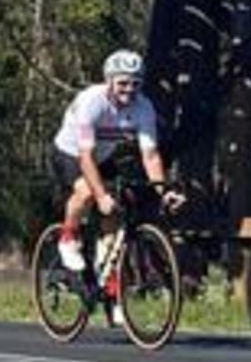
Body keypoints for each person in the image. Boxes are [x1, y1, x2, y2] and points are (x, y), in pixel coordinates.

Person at [50, 49, 181, 323]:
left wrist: (163, 190)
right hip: (72, 153)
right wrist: (100, 195)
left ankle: (110, 285)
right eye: (122, 82)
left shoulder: (143, 107)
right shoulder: (91, 103)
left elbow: (150, 155)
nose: (129, 89)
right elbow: (85, 157)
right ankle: (68, 237)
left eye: (135, 83)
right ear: (108, 80)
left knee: (118, 212)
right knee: (87, 192)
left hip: (105, 155)